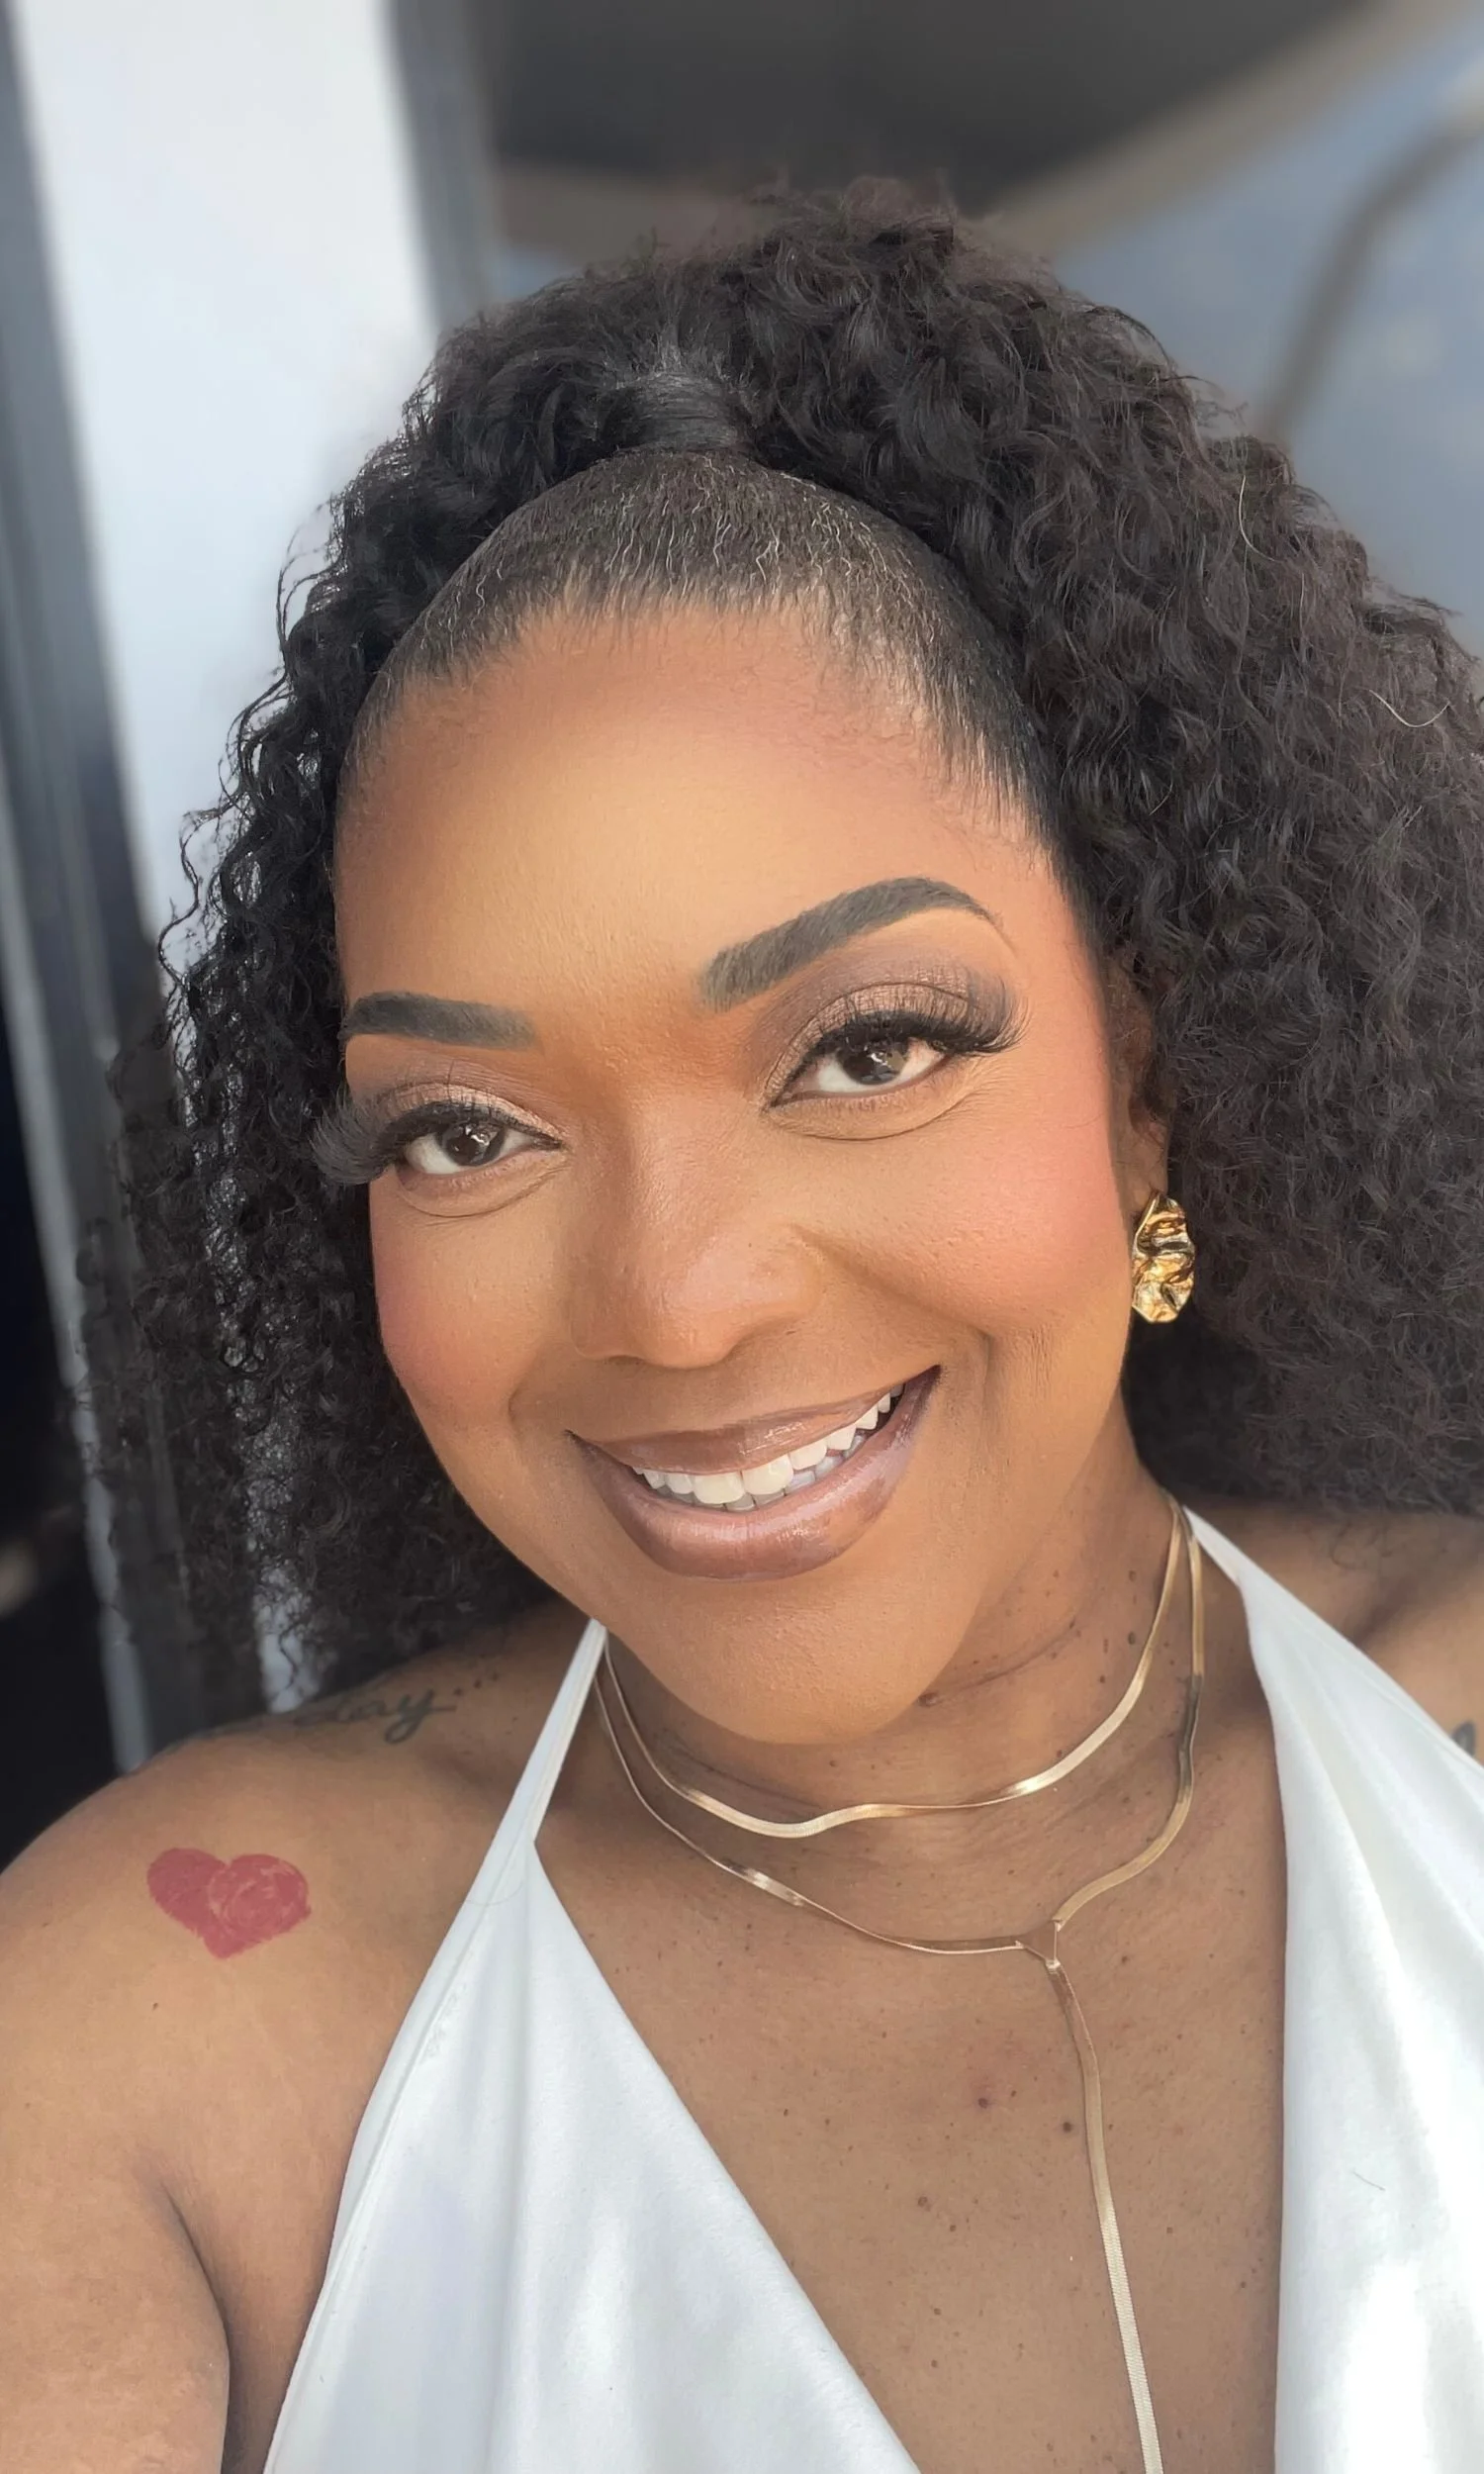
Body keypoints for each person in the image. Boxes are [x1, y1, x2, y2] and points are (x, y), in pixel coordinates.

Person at [2, 190, 1484, 2474]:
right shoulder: (156, 2032)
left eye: (869, 1045)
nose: (681, 1297)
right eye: (468, 1127)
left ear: (1153, 1070)